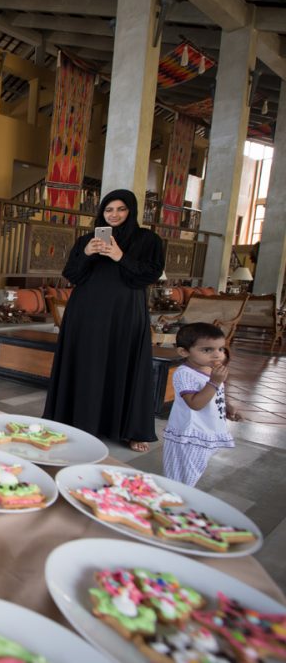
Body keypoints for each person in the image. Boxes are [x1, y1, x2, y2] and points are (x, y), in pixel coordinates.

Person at [42, 189, 165, 452]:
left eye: (120, 209)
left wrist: (120, 256)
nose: (114, 214)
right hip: (86, 312)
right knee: (87, 363)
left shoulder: (148, 240)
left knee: (123, 362)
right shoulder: (88, 238)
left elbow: (149, 275)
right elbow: (72, 274)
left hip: (125, 313)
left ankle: (131, 430)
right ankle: (78, 422)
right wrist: (86, 252)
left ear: (130, 210)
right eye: (109, 210)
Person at [162, 323, 238, 486]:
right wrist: (214, 382)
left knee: (192, 475)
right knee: (180, 480)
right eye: (207, 350)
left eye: (220, 349)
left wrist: (226, 406)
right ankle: (173, 502)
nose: (217, 355)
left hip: (208, 431)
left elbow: (216, 393)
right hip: (189, 435)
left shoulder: (210, 370)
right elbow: (195, 404)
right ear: (184, 352)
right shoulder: (184, 374)